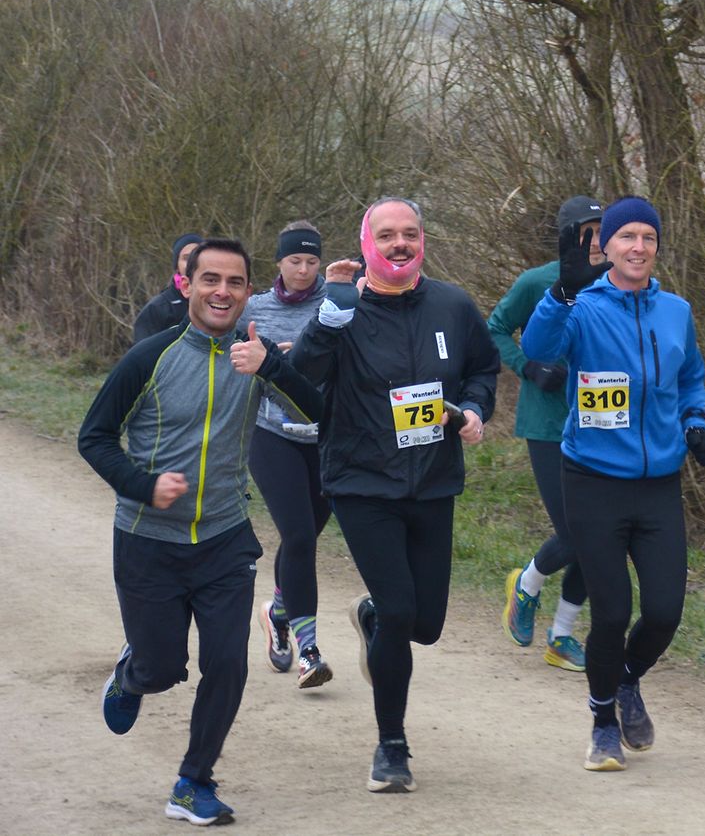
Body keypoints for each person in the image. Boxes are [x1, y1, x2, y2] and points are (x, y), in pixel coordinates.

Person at [79, 237, 322, 826]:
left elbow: (319, 412)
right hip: (147, 539)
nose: (222, 291)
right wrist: (143, 485)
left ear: (247, 293)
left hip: (224, 538)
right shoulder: (151, 357)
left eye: (235, 282)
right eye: (210, 279)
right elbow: (94, 437)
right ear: (187, 285)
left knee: (228, 664)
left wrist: (273, 366)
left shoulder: (253, 356)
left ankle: (194, 781)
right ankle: (134, 672)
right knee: (163, 669)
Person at [289, 196, 500, 793]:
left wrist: (474, 409)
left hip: (433, 481)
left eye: (410, 233)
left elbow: (484, 368)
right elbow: (302, 376)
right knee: (402, 610)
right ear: (367, 245)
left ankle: (374, 616)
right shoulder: (344, 308)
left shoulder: (452, 305)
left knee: (424, 624)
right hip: (363, 482)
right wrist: (331, 312)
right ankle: (392, 746)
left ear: (422, 241)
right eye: (386, 235)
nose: (399, 244)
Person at [521, 195, 705, 773]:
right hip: (593, 480)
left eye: (648, 237)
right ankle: (603, 720)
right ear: (606, 246)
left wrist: (695, 423)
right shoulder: (581, 307)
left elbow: (690, 376)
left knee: (664, 611)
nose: (638, 247)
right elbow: (538, 349)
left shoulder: (676, 311)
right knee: (610, 613)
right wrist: (561, 294)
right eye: (626, 236)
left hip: (658, 483)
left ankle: (626, 680)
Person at [490, 195, 604, 674]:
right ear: (566, 236)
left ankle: (561, 635)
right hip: (548, 427)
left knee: (601, 536)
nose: (596, 241)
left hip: (601, 425)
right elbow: (495, 328)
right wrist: (528, 367)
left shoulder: (617, 283)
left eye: (602, 230)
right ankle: (527, 586)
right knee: (576, 532)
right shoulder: (537, 282)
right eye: (587, 231)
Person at [242, 221, 333, 689]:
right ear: (278, 262)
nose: (303, 270)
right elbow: (229, 362)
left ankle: (277, 613)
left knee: (305, 537)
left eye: (311, 261)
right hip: (271, 434)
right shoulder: (255, 308)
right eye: (294, 260)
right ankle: (309, 651)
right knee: (298, 536)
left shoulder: (336, 305)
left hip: (326, 436)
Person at [132, 232, 204, 344]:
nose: (192, 262)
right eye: (186, 258)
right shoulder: (157, 308)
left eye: (197, 257)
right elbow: (142, 351)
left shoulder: (219, 301)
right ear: (177, 266)